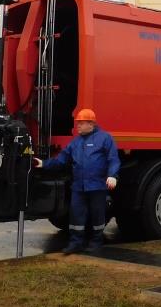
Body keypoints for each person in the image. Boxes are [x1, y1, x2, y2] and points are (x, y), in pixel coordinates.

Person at [34, 108, 120, 254]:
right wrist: (44, 164)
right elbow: (61, 160)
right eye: (78, 123)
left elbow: (113, 159)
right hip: (79, 188)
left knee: (97, 215)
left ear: (91, 124)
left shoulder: (105, 138)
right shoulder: (75, 143)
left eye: (81, 123)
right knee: (76, 216)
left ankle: (96, 242)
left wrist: (113, 175)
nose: (78, 125)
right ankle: (76, 243)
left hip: (97, 186)